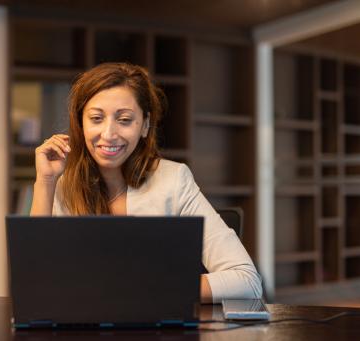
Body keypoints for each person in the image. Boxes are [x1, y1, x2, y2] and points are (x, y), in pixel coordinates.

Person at [30, 62, 262, 303]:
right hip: (83, 333)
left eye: (125, 120)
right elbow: (34, 282)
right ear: (81, 124)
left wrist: (147, 288)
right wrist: (45, 181)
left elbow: (246, 280)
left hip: (156, 334)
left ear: (145, 125)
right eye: (96, 118)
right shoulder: (63, 185)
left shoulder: (173, 180)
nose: (109, 133)